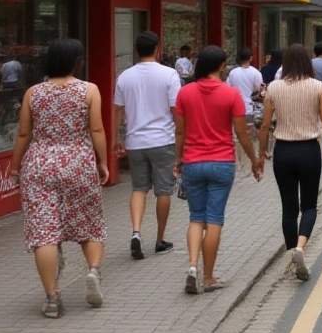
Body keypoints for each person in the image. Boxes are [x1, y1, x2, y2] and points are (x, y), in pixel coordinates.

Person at [8, 38, 108, 318]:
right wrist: (102, 161)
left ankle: (52, 298)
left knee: (44, 232)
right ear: (77, 62)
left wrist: (14, 167)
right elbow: (96, 130)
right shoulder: (89, 90)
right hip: (78, 163)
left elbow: (24, 134)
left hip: (39, 165)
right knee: (90, 222)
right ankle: (93, 272)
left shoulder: (33, 93)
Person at [174, 46, 262, 295]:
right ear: (223, 65)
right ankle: (208, 277)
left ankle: (193, 266)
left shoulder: (185, 93)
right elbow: (242, 133)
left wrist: (178, 159)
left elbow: (180, 131)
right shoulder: (231, 94)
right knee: (214, 219)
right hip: (222, 163)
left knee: (196, 218)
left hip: (192, 162)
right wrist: (254, 159)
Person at [260, 44, 322, 282]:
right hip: (309, 151)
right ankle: (301, 247)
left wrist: (261, 153)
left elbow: (265, 124)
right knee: (310, 206)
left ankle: (290, 255)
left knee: (289, 209)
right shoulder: (317, 87)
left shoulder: (274, 87)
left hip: (283, 152)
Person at [113, 31, 182, 260]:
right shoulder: (169, 74)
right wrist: (183, 137)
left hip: (135, 142)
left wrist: (116, 139)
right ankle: (160, 240)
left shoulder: (124, 77)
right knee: (164, 190)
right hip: (163, 140)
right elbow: (175, 109)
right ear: (157, 49)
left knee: (139, 188)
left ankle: (136, 232)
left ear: (136, 50)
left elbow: (117, 110)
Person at [226, 48, 265, 157]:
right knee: (250, 135)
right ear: (251, 58)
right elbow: (259, 91)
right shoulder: (256, 73)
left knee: (237, 136)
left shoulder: (233, 73)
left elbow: (228, 88)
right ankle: (250, 156)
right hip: (250, 109)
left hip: (236, 109)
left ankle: (239, 157)